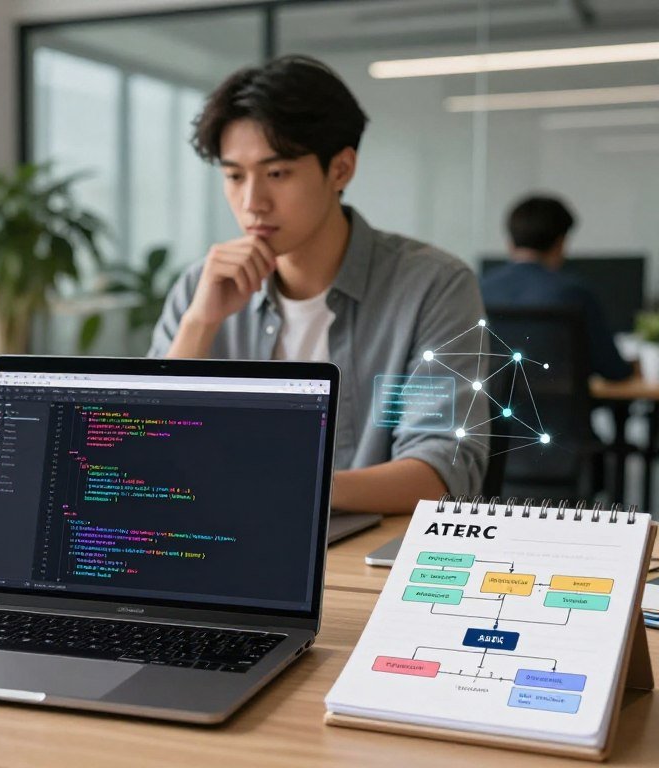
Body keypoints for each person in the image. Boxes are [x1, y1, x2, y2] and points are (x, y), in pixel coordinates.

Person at [148, 55, 487, 515]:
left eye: (276, 174)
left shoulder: (433, 286)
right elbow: (147, 455)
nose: (252, 202)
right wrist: (199, 324)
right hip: (218, 536)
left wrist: (287, 487)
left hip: (364, 551)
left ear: (340, 169)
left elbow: (440, 471)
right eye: (234, 176)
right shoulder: (200, 286)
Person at [480, 195, 633, 381]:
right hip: (561, 400)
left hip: (494, 399)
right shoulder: (575, 293)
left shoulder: (479, 290)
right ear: (560, 242)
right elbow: (613, 370)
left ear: (510, 242)